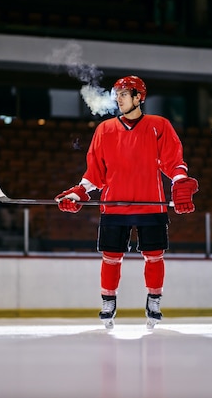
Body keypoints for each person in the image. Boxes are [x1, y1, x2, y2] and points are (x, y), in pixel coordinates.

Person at [54, 75, 198, 329]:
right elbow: (94, 174)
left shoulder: (159, 125)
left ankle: (154, 300)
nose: (118, 99)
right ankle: (108, 301)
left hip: (150, 202)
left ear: (138, 97)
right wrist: (78, 193)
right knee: (111, 256)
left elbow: (173, 162)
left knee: (154, 255)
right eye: (116, 94)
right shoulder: (105, 129)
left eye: (123, 94)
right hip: (114, 205)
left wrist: (180, 182)